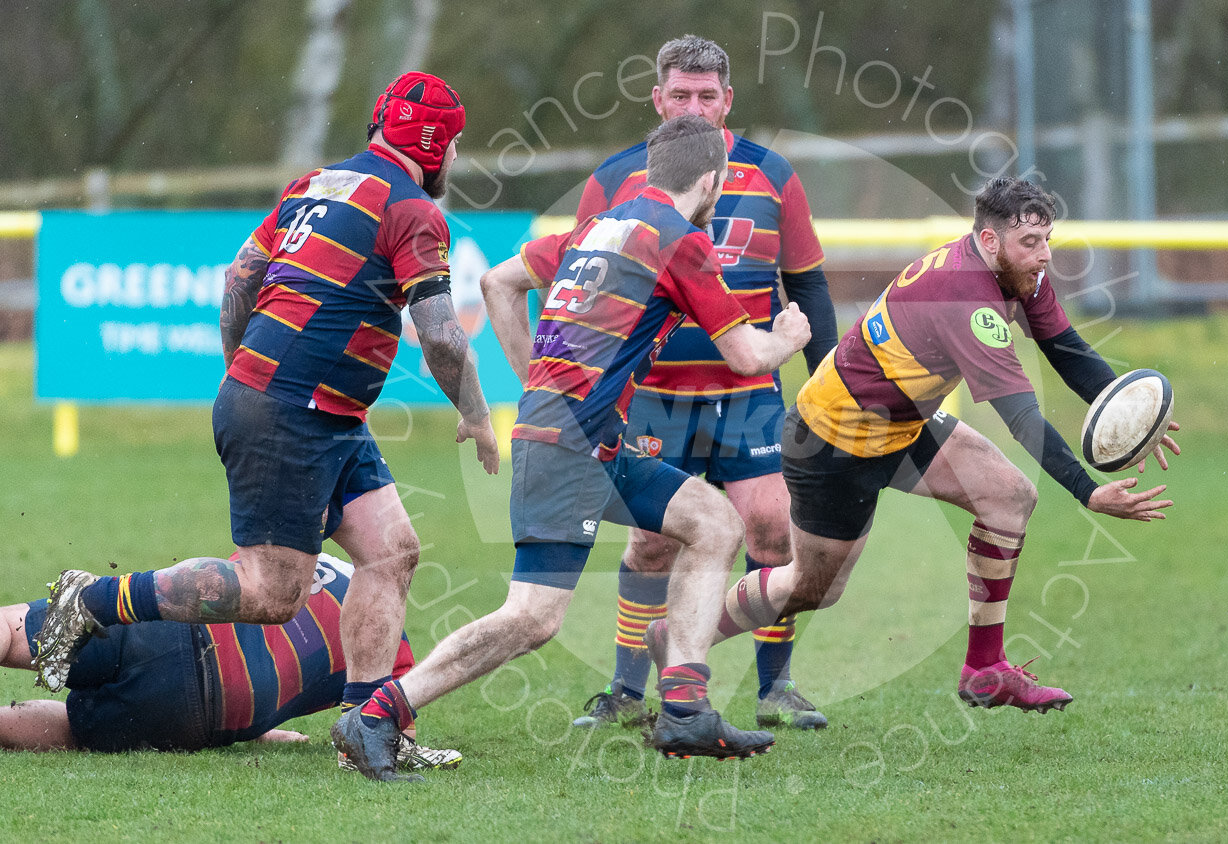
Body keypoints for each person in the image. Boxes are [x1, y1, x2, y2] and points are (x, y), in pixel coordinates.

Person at [330, 115, 811, 782]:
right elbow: (748, 355)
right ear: (711, 180)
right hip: (569, 446)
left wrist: (537, 382)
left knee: (712, 521)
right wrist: (789, 333)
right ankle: (378, 713)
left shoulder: (600, 227)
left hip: (588, 439)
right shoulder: (681, 241)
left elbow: (499, 281)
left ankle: (684, 705)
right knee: (532, 618)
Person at [33, 72, 500, 744]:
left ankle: (369, 727)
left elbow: (239, 278)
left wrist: (239, 366)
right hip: (295, 414)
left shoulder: (314, 185)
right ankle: (93, 598)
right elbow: (444, 337)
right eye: (454, 146)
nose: (454, 159)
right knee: (271, 593)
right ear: (434, 146)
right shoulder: (413, 210)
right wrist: (479, 415)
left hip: (328, 416)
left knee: (391, 552)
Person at [646, 176, 1181, 711]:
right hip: (833, 438)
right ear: (990, 243)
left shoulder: (1018, 275)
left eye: (1047, 241)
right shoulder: (964, 298)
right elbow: (1021, 417)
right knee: (812, 589)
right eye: (1030, 244)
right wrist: (1090, 494)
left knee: (1009, 497)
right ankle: (679, 636)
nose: (1044, 257)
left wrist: (1127, 411)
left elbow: (1065, 348)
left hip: (902, 422)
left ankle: (985, 669)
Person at [570, 34, 838, 733]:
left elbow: (807, 284)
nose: (694, 105)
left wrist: (831, 391)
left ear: (728, 101)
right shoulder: (616, 179)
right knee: (653, 544)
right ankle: (628, 689)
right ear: (657, 100)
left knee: (774, 529)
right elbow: (586, 284)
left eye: (707, 95)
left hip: (750, 398)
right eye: (680, 95)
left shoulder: (773, 174)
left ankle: (776, 686)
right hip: (653, 397)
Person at [4, 553, 460, 772]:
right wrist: (262, 727)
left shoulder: (315, 557)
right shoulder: (397, 658)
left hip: (168, 629)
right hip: (206, 715)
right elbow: (380, 740)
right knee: (75, 731)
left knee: (15, 631)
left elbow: (223, 582)